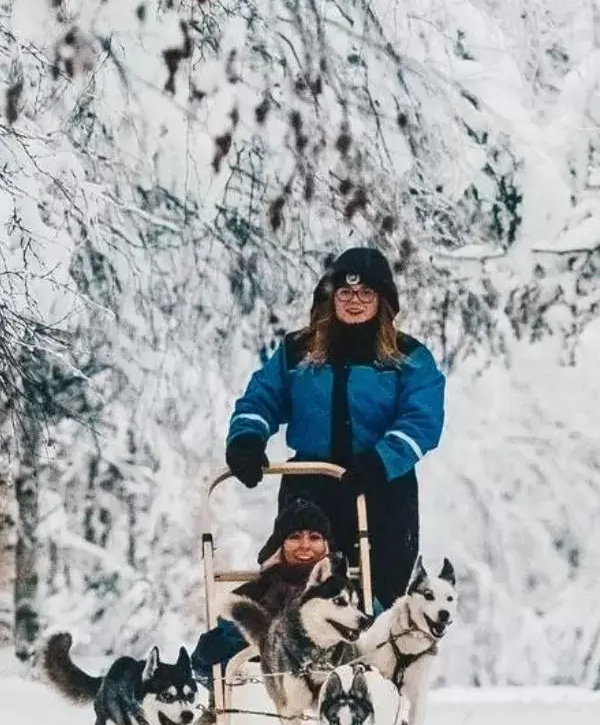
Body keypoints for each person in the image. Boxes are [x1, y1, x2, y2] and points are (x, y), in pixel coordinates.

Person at [221, 246, 445, 612]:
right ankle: (257, 650)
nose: (354, 301)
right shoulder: (298, 351)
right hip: (311, 484)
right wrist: (246, 439)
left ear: (382, 300)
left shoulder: (408, 358)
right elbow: (262, 398)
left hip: (381, 487)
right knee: (298, 586)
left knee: (377, 594)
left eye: (365, 293)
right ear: (330, 297)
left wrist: (378, 461)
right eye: (345, 292)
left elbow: (422, 421)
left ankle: (371, 656)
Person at [189, 497, 336, 675]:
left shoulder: (348, 595)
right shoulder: (250, 597)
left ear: (326, 545)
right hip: (260, 694)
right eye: (294, 537)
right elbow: (210, 671)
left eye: (314, 537)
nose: (305, 545)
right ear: (280, 546)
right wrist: (204, 657)